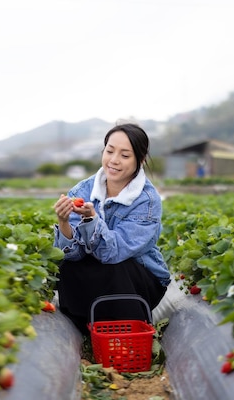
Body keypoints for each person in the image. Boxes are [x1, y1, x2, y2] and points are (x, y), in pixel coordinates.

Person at [53, 122, 171, 335]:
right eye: (110, 151)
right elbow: (72, 254)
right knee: (67, 266)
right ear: (103, 151)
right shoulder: (82, 190)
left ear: (140, 160)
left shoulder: (147, 200)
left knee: (117, 267)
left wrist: (92, 220)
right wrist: (63, 223)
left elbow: (113, 252)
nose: (114, 160)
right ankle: (86, 330)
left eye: (125, 155)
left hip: (138, 281)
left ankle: (125, 333)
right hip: (102, 278)